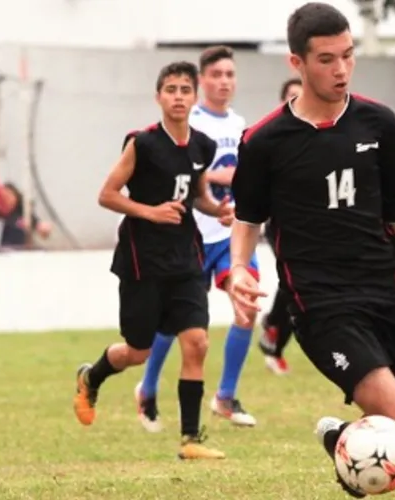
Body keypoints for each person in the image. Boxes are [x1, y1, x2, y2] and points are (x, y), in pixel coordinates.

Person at [227, 3, 395, 499]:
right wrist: (239, 268)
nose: (341, 69)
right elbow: (247, 219)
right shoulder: (265, 141)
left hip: (389, 292)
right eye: (327, 59)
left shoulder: (379, 124)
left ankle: (343, 440)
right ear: (297, 63)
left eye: (348, 56)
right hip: (322, 305)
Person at [72, 61, 232, 459]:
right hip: (142, 260)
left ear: (194, 97)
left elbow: (197, 196)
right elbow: (107, 194)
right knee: (137, 351)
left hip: (185, 258)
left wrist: (218, 211)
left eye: (185, 90)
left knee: (196, 342)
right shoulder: (142, 144)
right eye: (171, 90)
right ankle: (91, 377)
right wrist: (150, 212)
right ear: (158, 96)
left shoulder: (202, 146)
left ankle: (190, 440)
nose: (178, 97)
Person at [135, 45, 258, 432]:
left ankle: (225, 396)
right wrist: (222, 178)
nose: (224, 82)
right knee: (173, 323)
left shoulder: (240, 124)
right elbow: (186, 173)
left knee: (247, 307)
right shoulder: (189, 122)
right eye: (216, 75)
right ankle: (148, 388)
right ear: (201, 81)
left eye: (230, 75)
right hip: (191, 240)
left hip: (230, 237)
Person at [257, 76, 303, 376]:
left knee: (299, 283)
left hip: (310, 224)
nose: (296, 101)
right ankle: (274, 332)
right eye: (290, 96)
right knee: (294, 278)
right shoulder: (272, 137)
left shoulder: (319, 134)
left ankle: (274, 329)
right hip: (279, 222)